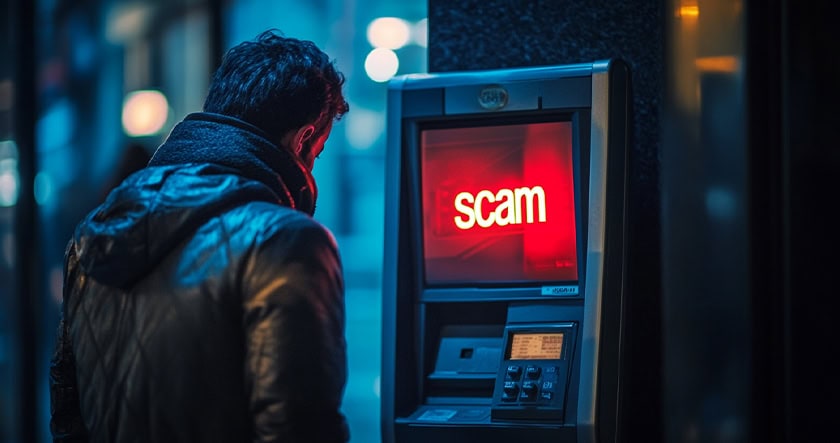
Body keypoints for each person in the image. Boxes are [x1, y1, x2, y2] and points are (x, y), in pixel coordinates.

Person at [49, 29, 350, 443]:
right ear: (304, 140)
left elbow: (67, 417)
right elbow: (299, 428)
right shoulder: (283, 241)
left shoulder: (91, 235)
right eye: (316, 154)